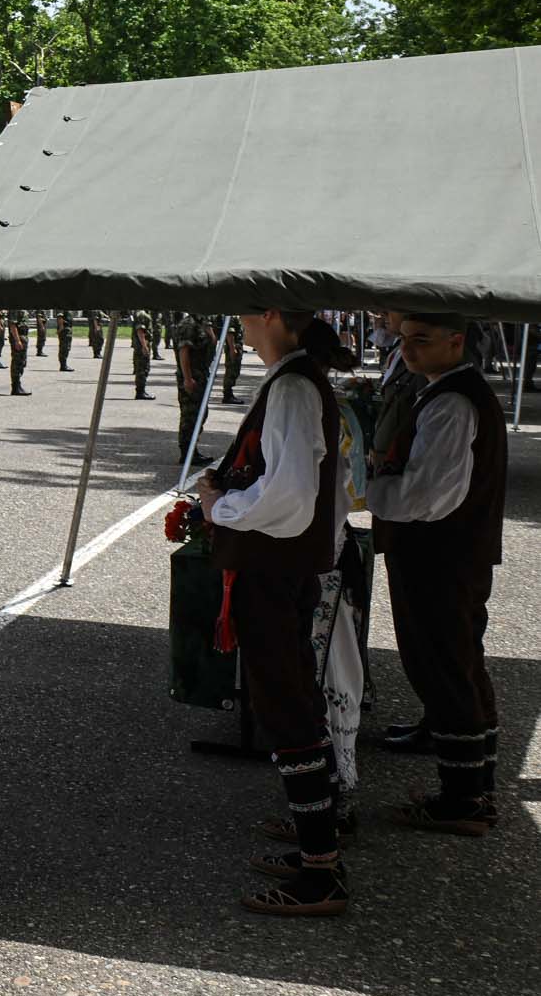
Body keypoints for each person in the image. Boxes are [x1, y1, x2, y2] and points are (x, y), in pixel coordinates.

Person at [198, 308, 356, 915]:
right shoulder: (296, 378)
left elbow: (288, 497)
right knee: (295, 702)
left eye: (245, 310)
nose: (237, 322)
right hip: (282, 567)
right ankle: (320, 841)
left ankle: (321, 870)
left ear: (269, 314)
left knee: (286, 709)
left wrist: (220, 507)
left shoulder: (293, 386)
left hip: (271, 568)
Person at [367, 310, 505, 835]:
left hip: (440, 556)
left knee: (444, 666)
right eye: (404, 338)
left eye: (421, 339)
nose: (407, 349)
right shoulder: (446, 392)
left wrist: (367, 490)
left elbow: (424, 497)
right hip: (450, 554)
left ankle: (464, 799)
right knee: (459, 662)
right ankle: (473, 786)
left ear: (456, 341)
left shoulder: (452, 402)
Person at [172, 312, 219, 467]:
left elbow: (212, 342)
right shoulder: (189, 324)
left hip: (201, 375)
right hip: (192, 376)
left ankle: (192, 449)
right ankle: (187, 453)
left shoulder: (203, 322)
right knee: (190, 415)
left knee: (200, 413)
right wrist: (187, 378)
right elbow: (184, 351)